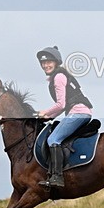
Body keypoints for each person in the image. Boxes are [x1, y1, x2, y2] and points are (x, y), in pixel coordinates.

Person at [36, 46, 93, 188]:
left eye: (49, 62)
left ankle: (57, 177)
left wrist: (45, 112)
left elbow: (61, 104)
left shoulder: (59, 77)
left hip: (78, 112)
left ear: (56, 62)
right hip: (79, 112)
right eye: (43, 63)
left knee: (53, 139)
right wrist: (48, 117)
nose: (45, 65)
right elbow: (64, 106)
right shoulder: (60, 76)